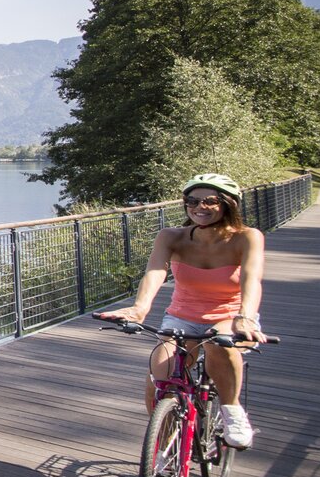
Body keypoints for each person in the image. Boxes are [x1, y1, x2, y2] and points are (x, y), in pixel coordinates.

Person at [97, 173, 266, 449]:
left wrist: (245, 316)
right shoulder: (171, 237)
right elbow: (155, 272)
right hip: (182, 316)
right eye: (192, 201)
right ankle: (163, 450)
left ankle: (233, 412)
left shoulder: (247, 237)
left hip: (230, 316)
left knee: (217, 342)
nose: (199, 207)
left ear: (229, 204)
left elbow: (251, 278)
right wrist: (139, 309)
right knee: (158, 379)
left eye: (210, 200)